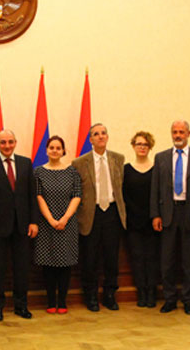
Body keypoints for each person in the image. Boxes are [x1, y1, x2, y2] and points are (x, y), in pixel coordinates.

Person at [151, 120, 190, 315]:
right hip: (168, 213)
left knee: (189, 260)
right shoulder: (161, 158)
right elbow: (155, 190)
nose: (178, 135)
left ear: (188, 134)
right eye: (175, 132)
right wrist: (155, 215)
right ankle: (169, 299)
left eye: (181, 132)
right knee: (167, 260)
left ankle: (189, 300)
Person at [0, 130, 39, 321]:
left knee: (21, 268)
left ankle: (21, 305)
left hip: (22, 226)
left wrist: (33, 221)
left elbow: (32, 195)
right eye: (3, 142)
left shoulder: (25, 163)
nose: (7, 145)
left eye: (10, 142)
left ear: (16, 142)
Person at [72, 123, 126, 311]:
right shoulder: (79, 163)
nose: (101, 136)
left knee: (112, 258)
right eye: (96, 134)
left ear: (107, 137)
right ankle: (91, 296)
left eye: (104, 133)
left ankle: (110, 295)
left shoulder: (118, 159)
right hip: (90, 215)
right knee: (90, 259)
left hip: (112, 212)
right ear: (91, 140)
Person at [34, 135, 82, 314]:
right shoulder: (38, 172)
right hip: (46, 224)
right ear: (46, 151)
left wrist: (64, 219)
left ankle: (62, 301)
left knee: (65, 264)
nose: (54, 150)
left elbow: (77, 196)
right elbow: (38, 196)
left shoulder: (72, 172)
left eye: (58, 148)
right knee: (48, 263)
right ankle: (50, 301)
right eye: (51, 147)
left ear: (63, 151)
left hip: (67, 224)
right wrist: (51, 220)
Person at [122, 131, 159, 308]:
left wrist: (154, 216)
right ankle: (141, 293)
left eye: (145, 144)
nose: (142, 147)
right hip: (133, 222)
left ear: (150, 147)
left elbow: (159, 195)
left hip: (153, 222)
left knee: (151, 258)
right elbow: (124, 196)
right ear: (133, 146)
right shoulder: (126, 170)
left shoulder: (157, 168)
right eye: (138, 144)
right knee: (137, 258)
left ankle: (152, 292)